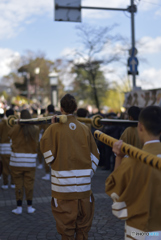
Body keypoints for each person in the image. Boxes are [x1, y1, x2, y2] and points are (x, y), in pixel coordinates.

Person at [40, 93, 99, 240]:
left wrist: (54, 165)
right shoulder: (85, 128)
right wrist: (87, 174)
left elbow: (46, 151)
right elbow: (95, 155)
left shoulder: (54, 129)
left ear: (61, 108)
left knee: (66, 231)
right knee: (83, 228)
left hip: (63, 187)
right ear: (76, 108)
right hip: (84, 188)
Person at [105, 106, 161, 239]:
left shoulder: (133, 161)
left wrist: (118, 157)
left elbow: (114, 190)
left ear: (140, 127)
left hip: (139, 232)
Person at [8, 109, 39, 214]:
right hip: (30, 162)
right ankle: (30, 206)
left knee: (18, 185)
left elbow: (9, 134)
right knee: (29, 184)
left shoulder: (16, 128)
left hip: (16, 161)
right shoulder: (35, 129)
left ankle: (19, 207)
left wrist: (17, 124)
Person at [0, 108, 15, 189]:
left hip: (3, 148)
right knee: (13, 166)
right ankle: (13, 183)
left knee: (4, 167)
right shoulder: (16, 124)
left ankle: (5, 183)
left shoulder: (2, 124)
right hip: (14, 147)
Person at [40, 104, 55, 180]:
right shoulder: (58, 117)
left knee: (47, 155)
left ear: (47, 110)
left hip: (47, 138)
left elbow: (41, 127)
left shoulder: (45, 117)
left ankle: (47, 174)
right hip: (56, 139)